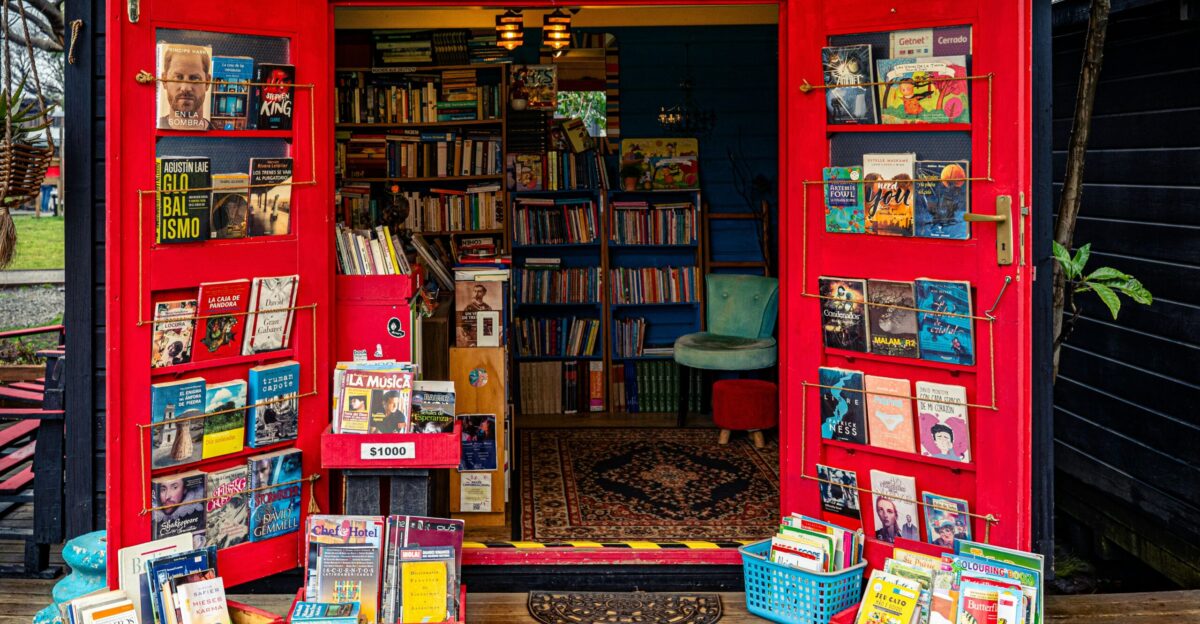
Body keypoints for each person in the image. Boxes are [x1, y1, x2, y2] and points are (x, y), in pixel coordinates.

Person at [158, 44, 212, 130]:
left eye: (195, 78)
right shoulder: (149, 127)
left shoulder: (220, 133)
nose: (185, 88)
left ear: (208, 82)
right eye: (178, 77)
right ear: (164, 80)